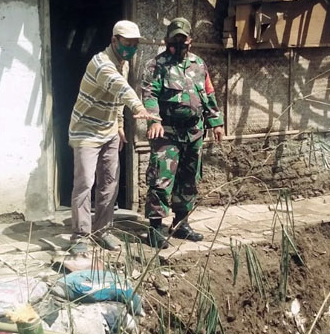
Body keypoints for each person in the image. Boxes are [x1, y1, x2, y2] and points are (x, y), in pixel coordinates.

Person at [68, 20, 159, 255]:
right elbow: (121, 88)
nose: (131, 49)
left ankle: (102, 231)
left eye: (134, 44)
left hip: (108, 130)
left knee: (110, 182)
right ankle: (80, 235)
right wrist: (139, 108)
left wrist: (119, 124)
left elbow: (117, 99)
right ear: (114, 41)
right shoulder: (100, 63)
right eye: (127, 44)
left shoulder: (124, 63)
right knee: (85, 183)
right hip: (85, 130)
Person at [141, 17, 225, 249]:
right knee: (161, 178)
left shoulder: (199, 64)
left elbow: (208, 93)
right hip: (167, 132)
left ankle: (181, 224)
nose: (179, 43)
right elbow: (149, 95)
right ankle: (155, 228)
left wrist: (216, 122)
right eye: (174, 39)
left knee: (188, 179)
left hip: (194, 132)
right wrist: (154, 120)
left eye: (183, 39)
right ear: (167, 40)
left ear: (190, 40)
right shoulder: (156, 65)